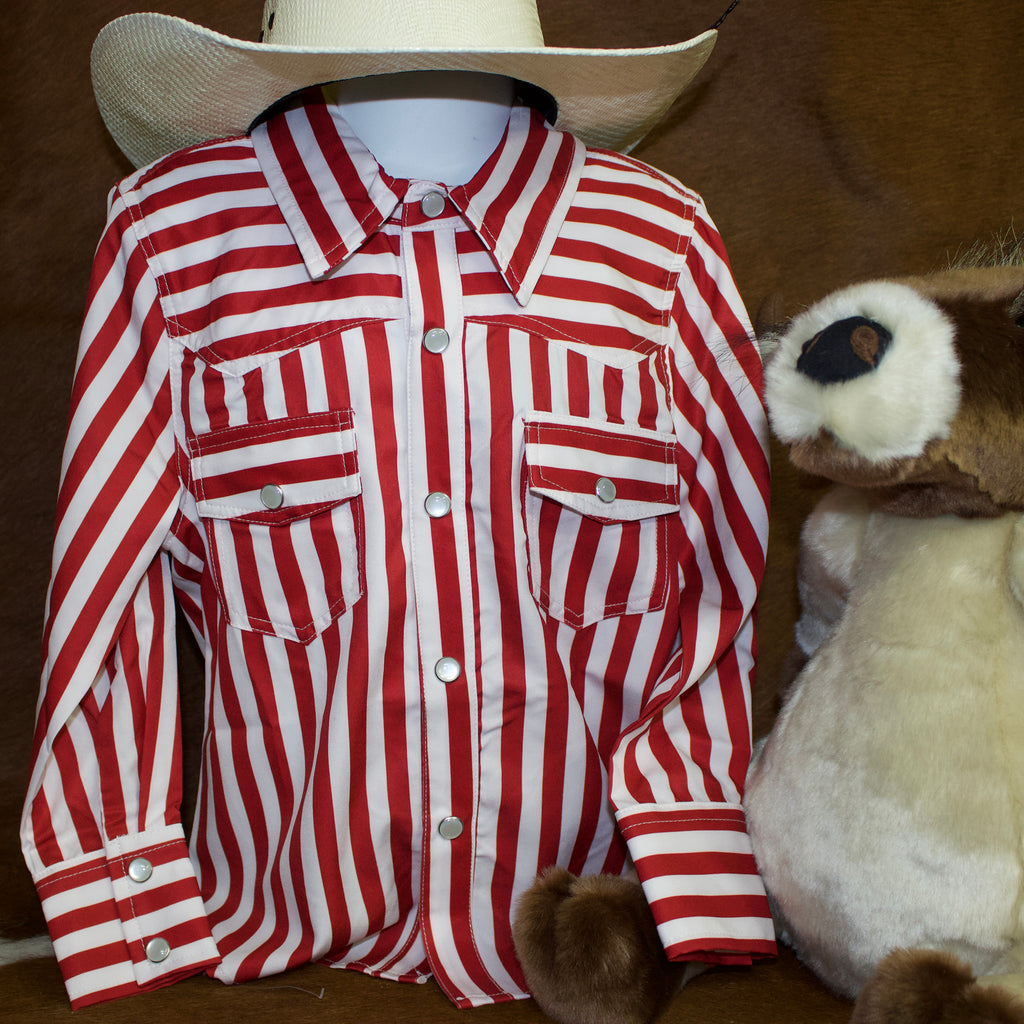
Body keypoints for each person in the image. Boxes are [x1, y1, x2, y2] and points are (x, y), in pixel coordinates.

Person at [22, 0, 776, 1011]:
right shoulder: (175, 240)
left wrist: (692, 870)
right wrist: (127, 902)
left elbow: (723, 579)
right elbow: (106, 587)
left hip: (589, 934)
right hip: (287, 932)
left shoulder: (659, 243)